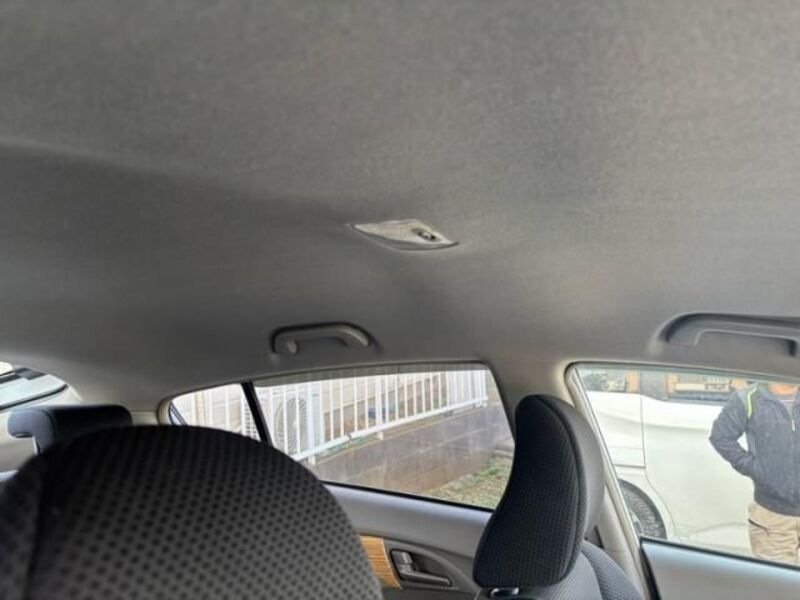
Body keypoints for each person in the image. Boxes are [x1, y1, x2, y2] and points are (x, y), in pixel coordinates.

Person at [710, 381, 800, 563]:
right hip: (773, 516)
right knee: (777, 580)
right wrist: (757, 469)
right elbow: (721, 437)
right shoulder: (747, 399)